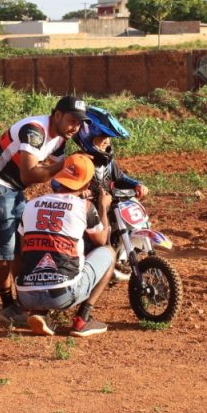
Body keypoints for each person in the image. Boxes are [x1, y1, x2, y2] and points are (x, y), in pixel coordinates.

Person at [0, 95, 88, 327]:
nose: (75, 127)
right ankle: (7, 306)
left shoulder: (60, 140)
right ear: (57, 115)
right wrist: (63, 165)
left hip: (13, 187)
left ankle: (24, 300)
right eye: (71, 120)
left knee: (23, 243)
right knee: (4, 249)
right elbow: (30, 174)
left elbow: (51, 174)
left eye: (79, 122)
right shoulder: (34, 130)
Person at [15, 153, 114, 337]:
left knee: (39, 252)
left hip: (25, 294)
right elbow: (101, 240)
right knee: (108, 252)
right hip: (63, 294)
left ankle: (39, 312)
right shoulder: (84, 207)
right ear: (86, 184)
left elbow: (23, 248)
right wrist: (103, 207)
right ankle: (82, 320)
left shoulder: (31, 204)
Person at [73, 105, 148, 281]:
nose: (107, 142)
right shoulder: (80, 160)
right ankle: (99, 263)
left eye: (108, 138)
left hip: (108, 206)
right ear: (88, 136)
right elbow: (58, 183)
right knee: (93, 239)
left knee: (126, 220)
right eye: (102, 138)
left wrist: (137, 184)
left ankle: (120, 254)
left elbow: (121, 178)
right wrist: (80, 193)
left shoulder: (108, 163)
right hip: (89, 211)